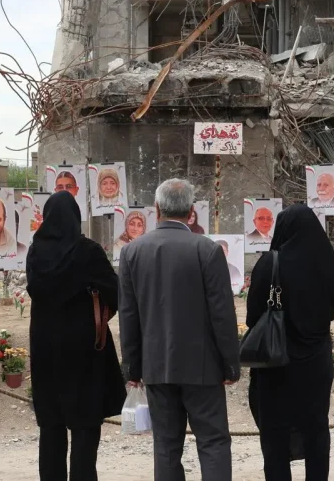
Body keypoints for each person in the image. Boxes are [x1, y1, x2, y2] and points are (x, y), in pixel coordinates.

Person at [119, 179, 240, 481]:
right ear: (192, 211)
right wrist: (230, 364)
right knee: (212, 442)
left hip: (157, 366)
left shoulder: (132, 252)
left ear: (156, 209)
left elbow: (129, 316)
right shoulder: (208, 251)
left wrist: (132, 368)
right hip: (204, 367)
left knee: (166, 446)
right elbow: (222, 314)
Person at [27, 191, 126, 481]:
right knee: (84, 427)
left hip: (45, 348)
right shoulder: (88, 251)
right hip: (83, 348)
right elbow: (116, 293)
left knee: (52, 426)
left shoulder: (35, 251)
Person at [246, 205, 334, 481]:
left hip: (276, 361)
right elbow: (332, 310)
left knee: (275, 434)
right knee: (316, 430)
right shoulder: (329, 264)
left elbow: (254, 316)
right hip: (316, 360)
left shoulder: (270, 263)